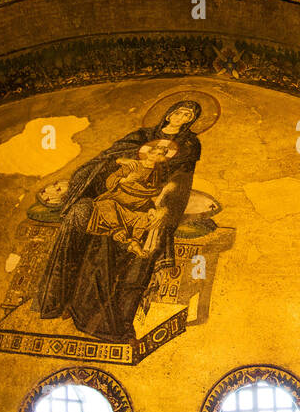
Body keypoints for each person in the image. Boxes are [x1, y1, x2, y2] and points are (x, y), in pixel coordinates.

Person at [34, 101, 202, 339]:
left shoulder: (188, 144)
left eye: (188, 114)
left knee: (139, 238)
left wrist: (164, 207)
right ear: (169, 113)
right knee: (79, 214)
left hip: (147, 203)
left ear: (190, 120)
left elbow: (181, 179)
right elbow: (105, 161)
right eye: (179, 111)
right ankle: (57, 299)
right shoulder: (140, 136)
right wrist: (121, 164)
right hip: (113, 199)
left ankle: (112, 321)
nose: (181, 116)